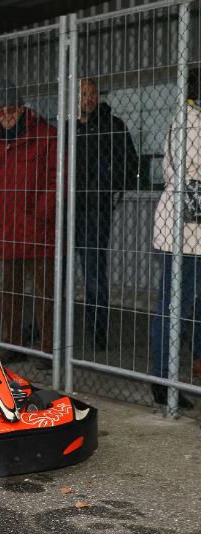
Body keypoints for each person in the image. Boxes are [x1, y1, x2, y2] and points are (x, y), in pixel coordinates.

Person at [0, 79, 57, 359]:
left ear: (23, 109)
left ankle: (47, 350)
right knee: (9, 294)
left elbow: (57, 178)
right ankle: (13, 344)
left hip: (38, 231)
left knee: (44, 294)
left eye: (12, 110)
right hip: (7, 230)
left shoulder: (46, 136)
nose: (7, 116)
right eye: (2, 112)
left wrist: (42, 213)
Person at [76, 78, 139, 351]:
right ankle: (54, 333)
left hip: (94, 211)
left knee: (93, 273)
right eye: (83, 94)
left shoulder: (113, 126)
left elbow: (131, 165)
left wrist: (106, 187)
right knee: (55, 272)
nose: (88, 98)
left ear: (98, 96)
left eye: (92, 93)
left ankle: (98, 330)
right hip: (66, 209)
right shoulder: (68, 129)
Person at [150, 76, 201, 409]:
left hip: (188, 228)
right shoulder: (191, 122)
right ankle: (163, 380)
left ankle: (173, 374)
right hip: (184, 230)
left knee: (184, 304)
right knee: (174, 306)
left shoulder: (188, 118)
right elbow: (191, 168)